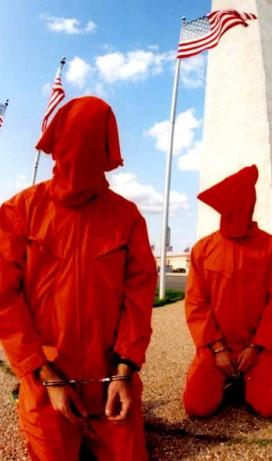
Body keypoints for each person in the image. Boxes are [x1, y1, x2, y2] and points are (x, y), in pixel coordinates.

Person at [0, 96, 157, 461]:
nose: (79, 161)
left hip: (109, 378)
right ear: (57, 145)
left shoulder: (127, 217)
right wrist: (43, 374)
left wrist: (125, 370)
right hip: (45, 378)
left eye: (91, 146)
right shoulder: (20, 211)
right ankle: (28, 400)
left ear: (106, 151)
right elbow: (4, 298)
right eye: (73, 146)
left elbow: (139, 297)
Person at [183, 165, 272, 417]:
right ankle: (214, 375)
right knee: (196, 407)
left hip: (254, 346)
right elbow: (196, 303)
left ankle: (251, 376)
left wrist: (257, 346)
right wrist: (217, 348)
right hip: (215, 346)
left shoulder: (270, 247)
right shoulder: (203, 249)